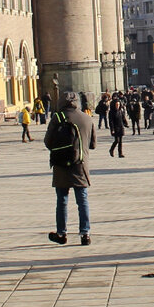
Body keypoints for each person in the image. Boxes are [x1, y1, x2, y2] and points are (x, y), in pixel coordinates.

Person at [45, 91, 97, 245]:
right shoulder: (87, 118)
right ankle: (85, 234)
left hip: (61, 165)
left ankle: (61, 233)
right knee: (82, 200)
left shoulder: (57, 118)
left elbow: (48, 142)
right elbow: (93, 145)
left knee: (62, 200)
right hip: (80, 164)